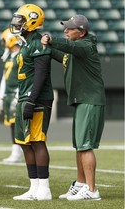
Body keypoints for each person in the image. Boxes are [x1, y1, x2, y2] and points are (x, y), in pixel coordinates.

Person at [41, 14, 106, 201]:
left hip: (90, 100)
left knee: (85, 146)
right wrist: (42, 42)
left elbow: (67, 46)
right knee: (79, 146)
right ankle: (80, 184)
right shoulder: (75, 50)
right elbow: (61, 53)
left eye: (70, 28)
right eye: (66, 28)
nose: (66, 30)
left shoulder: (85, 46)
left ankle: (92, 190)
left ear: (82, 32)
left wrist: (52, 39)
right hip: (82, 100)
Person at [9, 4, 54, 201]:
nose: (17, 24)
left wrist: (31, 100)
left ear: (32, 21)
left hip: (36, 98)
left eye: (21, 20)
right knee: (25, 143)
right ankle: (34, 187)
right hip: (24, 96)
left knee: (37, 141)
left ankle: (44, 188)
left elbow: (42, 74)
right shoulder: (26, 43)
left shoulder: (38, 42)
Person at [0, 28, 22, 163]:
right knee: (13, 124)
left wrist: (18, 95)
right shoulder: (9, 56)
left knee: (17, 124)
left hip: (16, 93)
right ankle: (16, 151)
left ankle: (17, 152)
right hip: (8, 94)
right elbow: (4, 78)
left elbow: (23, 78)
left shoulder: (20, 56)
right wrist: (1, 97)